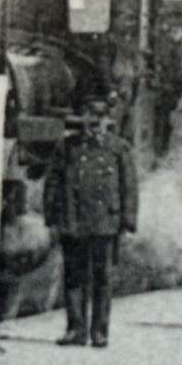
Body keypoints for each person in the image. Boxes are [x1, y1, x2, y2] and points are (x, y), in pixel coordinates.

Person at [50, 97, 138, 347]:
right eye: (90, 118)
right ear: (83, 120)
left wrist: (127, 221)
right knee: (75, 277)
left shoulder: (118, 148)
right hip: (74, 221)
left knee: (102, 278)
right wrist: (53, 219)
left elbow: (129, 186)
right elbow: (54, 183)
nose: (94, 124)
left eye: (99, 119)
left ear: (107, 121)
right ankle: (76, 330)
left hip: (105, 223)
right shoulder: (68, 147)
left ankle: (100, 331)